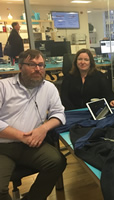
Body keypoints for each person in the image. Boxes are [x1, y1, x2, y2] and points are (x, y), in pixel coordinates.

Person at [0, 49, 66, 200]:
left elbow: (59, 113)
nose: (38, 69)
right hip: (3, 146)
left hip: (31, 144)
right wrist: (21, 136)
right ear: (20, 66)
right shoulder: (3, 87)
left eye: (41, 65)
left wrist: (43, 129)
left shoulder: (48, 88)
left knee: (57, 162)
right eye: (32, 64)